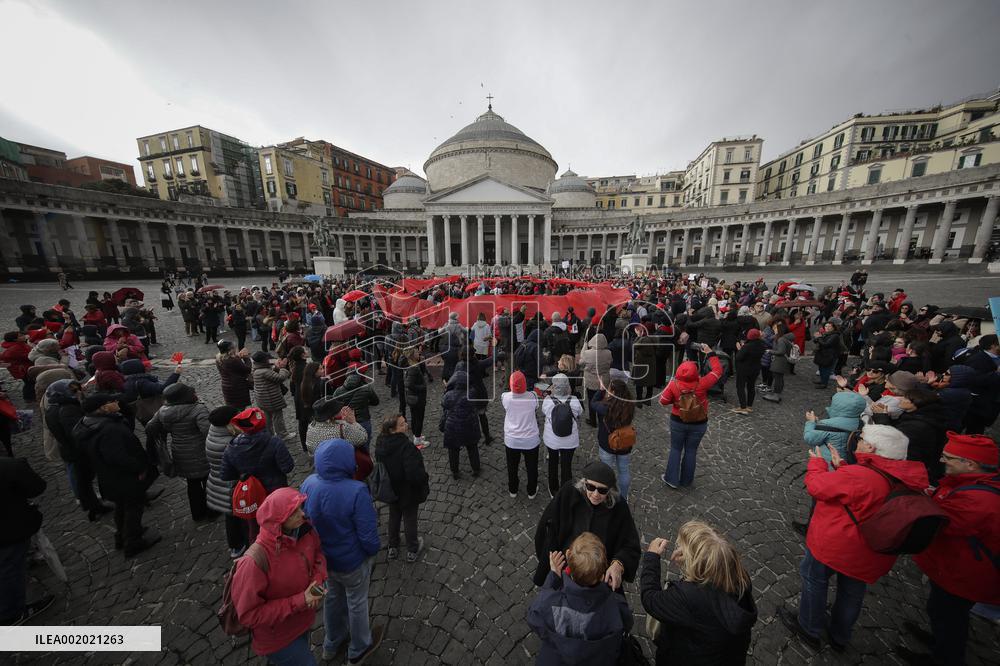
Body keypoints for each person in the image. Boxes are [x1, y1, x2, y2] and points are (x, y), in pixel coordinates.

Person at [778, 424, 927, 651]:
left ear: (871, 447)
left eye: (860, 438)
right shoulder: (902, 476)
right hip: (872, 552)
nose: (856, 441)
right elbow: (866, 493)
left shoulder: (860, 476)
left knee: (814, 579)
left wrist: (818, 464)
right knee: (852, 592)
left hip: (838, 545)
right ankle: (840, 635)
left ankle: (809, 628)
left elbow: (817, 487)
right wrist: (844, 468)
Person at [902, 432, 1000, 666]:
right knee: (941, 611)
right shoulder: (971, 485)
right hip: (955, 566)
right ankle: (939, 642)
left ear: (970, 463)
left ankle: (945, 657)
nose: (942, 460)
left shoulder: (978, 501)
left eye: (949, 457)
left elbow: (939, 524)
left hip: (964, 573)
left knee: (949, 617)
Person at [300, 439, 384, 664]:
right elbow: (368, 534)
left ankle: (331, 642)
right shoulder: (356, 490)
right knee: (356, 602)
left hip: (324, 560)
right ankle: (359, 648)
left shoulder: (308, 483)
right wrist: (372, 553)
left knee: (332, 598)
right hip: (351, 561)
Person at [230, 488, 327, 666]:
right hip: (278, 638)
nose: (302, 514)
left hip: (302, 621)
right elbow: (249, 614)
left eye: (300, 507)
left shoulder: (303, 529)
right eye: (294, 513)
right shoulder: (253, 563)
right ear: (278, 522)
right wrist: (301, 600)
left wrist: (317, 583)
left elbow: (318, 555)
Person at [641, 521, 758, 665]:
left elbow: (650, 599)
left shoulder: (688, 597)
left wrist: (651, 557)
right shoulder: (740, 578)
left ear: (696, 563)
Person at [73, 393, 161, 557]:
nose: (116, 402)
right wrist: (139, 468)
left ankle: (121, 535)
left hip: (108, 475)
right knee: (133, 508)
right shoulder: (108, 429)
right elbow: (118, 457)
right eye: (111, 401)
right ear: (103, 408)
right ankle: (133, 541)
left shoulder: (85, 424)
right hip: (123, 476)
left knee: (121, 506)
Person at [527, 531, 632, 665]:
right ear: (601, 575)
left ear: (568, 555)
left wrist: (553, 578)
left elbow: (534, 619)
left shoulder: (549, 601)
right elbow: (626, 625)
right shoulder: (616, 605)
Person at [532, 461, 641, 590]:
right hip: (564, 568)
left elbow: (630, 544)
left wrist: (619, 563)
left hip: (598, 576)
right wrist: (549, 558)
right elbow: (548, 525)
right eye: (590, 487)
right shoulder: (569, 492)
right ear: (584, 483)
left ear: (610, 490)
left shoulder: (619, 506)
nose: (595, 494)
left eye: (602, 490)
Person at [221, 407, 296, 541]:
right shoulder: (275, 442)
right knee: (281, 521)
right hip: (275, 492)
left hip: (251, 496)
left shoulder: (231, 447)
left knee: (254, 527)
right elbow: (287, 467)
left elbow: (226, 475)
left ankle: (260, 549)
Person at [43, 379, 110, 521]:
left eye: (78, 388)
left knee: (83, 479)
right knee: (86, 478)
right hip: (78, 451)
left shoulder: (54, 408)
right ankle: (95, 506)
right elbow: (77, 431)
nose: (79, 392)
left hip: (72, 450)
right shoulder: (68, 409)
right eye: (74, 391)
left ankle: (94, 506)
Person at [145, 383, 213, 522]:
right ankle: (212, 511)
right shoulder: (197, 409)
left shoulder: (163, 410)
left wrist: (165, 432)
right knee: (208, 481)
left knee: (192, 484)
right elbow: (207, 431)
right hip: (201, 451)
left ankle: (198, 514)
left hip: (180, 451)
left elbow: (150, 427)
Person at [659, 344, 723, 489]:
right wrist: (710, 353)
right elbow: (718, 371)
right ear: (696, 372)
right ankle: (686, 481)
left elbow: (662, 401)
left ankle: (672, 479)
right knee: (691, 450)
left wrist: (676, 401)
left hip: (678, 421)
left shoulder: (673, 385)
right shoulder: (703, 383)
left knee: (675, 449)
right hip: (699, 422)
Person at [0, 455, 54, 625]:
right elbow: (37, 487)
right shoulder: (10, 466)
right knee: (10, 570)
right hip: (9, 530)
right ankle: (11, 613)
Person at [374, 414, 430, 562]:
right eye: (402, 424)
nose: (406, 426)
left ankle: (393, 546)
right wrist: (424, 479)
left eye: (405, 422)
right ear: (392, 430)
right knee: (410, 518)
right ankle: (412, 548)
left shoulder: (380, 444)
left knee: (394, 515)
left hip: (390, 488)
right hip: (406, 490)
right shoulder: (407, 447)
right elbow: (414, 473)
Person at [205, 405, 248, 559]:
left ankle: (236, 545)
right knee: (237, 517)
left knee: (230, 516)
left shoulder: (213, 433)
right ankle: (239, 544)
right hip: (231, 486)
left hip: (218, 483)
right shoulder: (229, 442)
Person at [590, 379, 636, 501]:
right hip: (624, 443)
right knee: (624, 471)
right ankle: (623, 496)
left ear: (613, 391)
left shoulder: (605, 407)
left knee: (606, 471)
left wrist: (601, 390)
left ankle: (605, 496)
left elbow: (593, 403)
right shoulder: (629, 405)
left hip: (607, 444)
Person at [307, 397, 371, 480]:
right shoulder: (342, 428)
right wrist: (353, 422)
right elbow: (363, 438)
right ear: (332, 415)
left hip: (321, 470)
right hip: (341, 469)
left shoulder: (311, 427)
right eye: (338, 410)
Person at [541, 373, 583, 497]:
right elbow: (579, 413)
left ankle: (553, 489)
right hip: (570, 440)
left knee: (552, 464)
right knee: (567, 465)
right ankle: (566, 490)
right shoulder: (574, 400)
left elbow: (545, 413)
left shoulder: (548, 401)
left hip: (552, 439)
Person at [502, 370, 541, 499]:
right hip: (530, 439)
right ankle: (531, 490)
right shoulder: (533, 396)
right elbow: (536, 408)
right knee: (532, 467)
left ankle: (513, 489)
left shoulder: (505, 397)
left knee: (512, 467)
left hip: (512, 439)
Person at [440, 370, 482, 480]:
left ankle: (455, 472)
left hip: (453, 427)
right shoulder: (472, 393)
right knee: (472, 447)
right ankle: (476, 469)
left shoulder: (449, 395)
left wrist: (446, 389)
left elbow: (443, 403)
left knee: (453, 450)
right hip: (470, 425)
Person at [332, 365, 380, 445]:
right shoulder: (366, 388)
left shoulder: (338, 391)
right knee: (365, 446)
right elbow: (376, 402)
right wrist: (365, 402)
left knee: (350, 446)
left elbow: (334, 407)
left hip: (346, 423)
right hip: (363, 420)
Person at [252, 351, 292, 442]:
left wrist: (276, 367)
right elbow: (280, 378)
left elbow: (271, 375)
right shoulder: (264, 371)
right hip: (271, 398)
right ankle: (282, 434)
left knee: (268, 417)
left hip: (263, 399)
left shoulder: (256, 369)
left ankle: (270, 434)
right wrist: (282, 368)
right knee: (277, 417)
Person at [733, 328, 765, 414]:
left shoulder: (747, 346)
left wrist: (740, 349)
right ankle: (749, 406)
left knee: (740, 386)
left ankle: (743, 407)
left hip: (744, 369)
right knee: (751, 387)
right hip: (755, 368)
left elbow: (739, 357)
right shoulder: (762, 344)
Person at [403, 347, 430, 446]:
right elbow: (409, 384)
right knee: (418, 418)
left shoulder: (412, 366)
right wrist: (423, 387)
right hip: (417, 398)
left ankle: (416, 435)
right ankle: (418, 439)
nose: (419, 353)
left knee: (415, 417)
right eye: (417, 353)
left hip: (412, 397)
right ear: (413, 355)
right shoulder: (413, 368)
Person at [762, 322, 795, 402]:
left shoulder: (781, 339)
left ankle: (776, 395)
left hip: (779, 362)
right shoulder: (784, 338)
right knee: (779, 379)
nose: (774, 329)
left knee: (778, 379)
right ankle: (777, 394)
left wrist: (770, 351)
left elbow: (781, 351)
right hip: (781, 362)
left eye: (776, 328)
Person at [216, 341, 253, 409]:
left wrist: (238, 356)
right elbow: (247, 369)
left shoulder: (219, 358)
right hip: (238, 387)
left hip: (226, 387)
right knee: (241, 408)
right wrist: (246, 357)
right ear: (230, 350)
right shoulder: (233, 360)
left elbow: (232, 368)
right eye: (234, 348)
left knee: (232, 407)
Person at [812, 321, 846, 389]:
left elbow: (826, 344)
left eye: (829, 326)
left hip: (830, 355)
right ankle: (822, 381)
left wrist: (819, 338)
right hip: (823, 354)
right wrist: (816, 338)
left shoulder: (835, 335)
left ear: (833, 328)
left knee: (826, 370)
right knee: (821, 368)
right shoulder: (825, 334)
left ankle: (824, 384)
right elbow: (818, 341)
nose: (827, 328)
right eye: (826, 326)